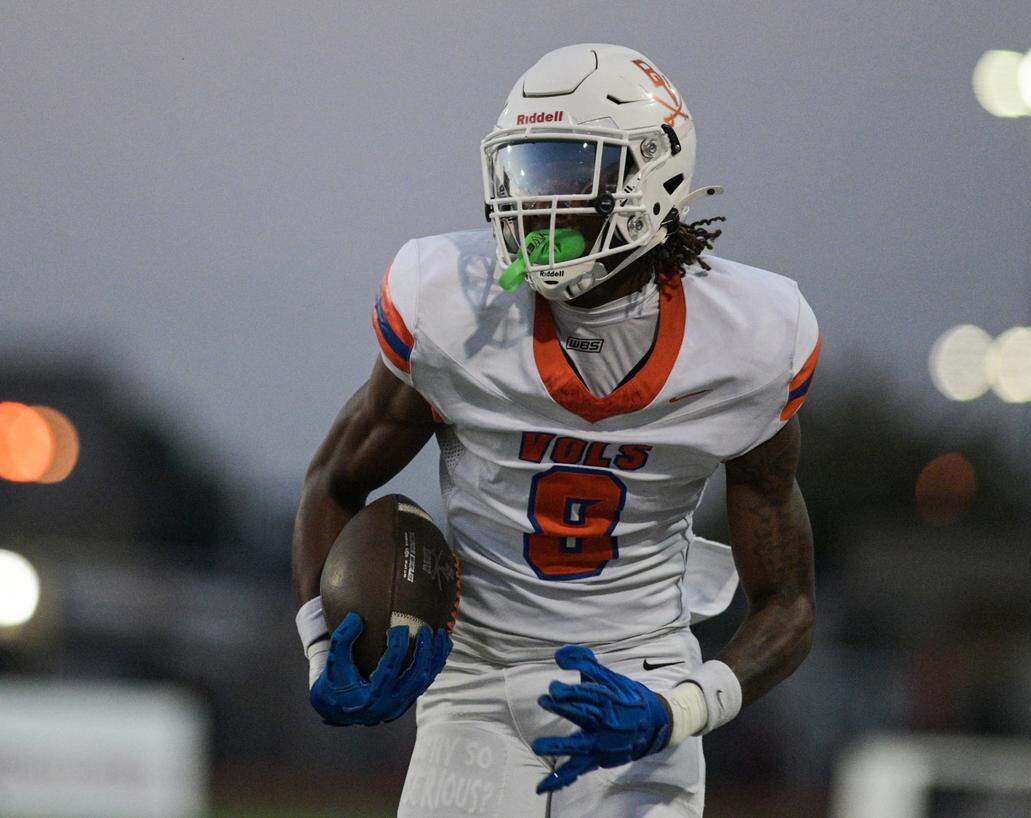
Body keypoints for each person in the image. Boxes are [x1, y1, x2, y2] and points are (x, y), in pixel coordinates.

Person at [292, 43, 819, 817]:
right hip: (472, 675)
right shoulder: (451, 305)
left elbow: (790, 603)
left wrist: (681, 707)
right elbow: (335, 483)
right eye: (524, 173)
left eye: (570, 176)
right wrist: (318, 645)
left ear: (652, 176)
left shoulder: (750, 341)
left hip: (635, 681)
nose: (533, 205)